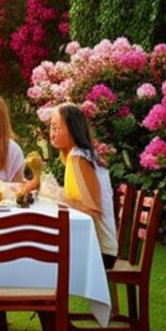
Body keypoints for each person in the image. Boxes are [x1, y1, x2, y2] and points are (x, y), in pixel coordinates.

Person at [45, 103, 117, 268]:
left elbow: (93, 211)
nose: (52, 133)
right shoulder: (78, 156)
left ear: (72, 129)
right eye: (51, 127)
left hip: (101, 250)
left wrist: (57, 198)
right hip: (93, 244)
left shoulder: (79, 159)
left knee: (35, 247)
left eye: (57, 127)